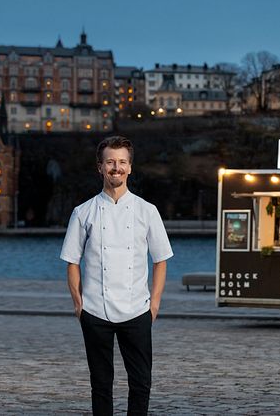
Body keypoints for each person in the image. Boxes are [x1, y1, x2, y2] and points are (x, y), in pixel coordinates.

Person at [60, 136, 173, 415]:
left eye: (122, 162)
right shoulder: (83, 212)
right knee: (100, 384)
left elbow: (160, 260)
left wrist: (154, 305)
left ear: (130, 168)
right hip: (95, 311)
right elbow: (72, 261)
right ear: (100, 167)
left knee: (141, 383)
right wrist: (79, 304)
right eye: (110, 162)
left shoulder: (148, 211)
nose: (116, 168)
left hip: (137, 309)